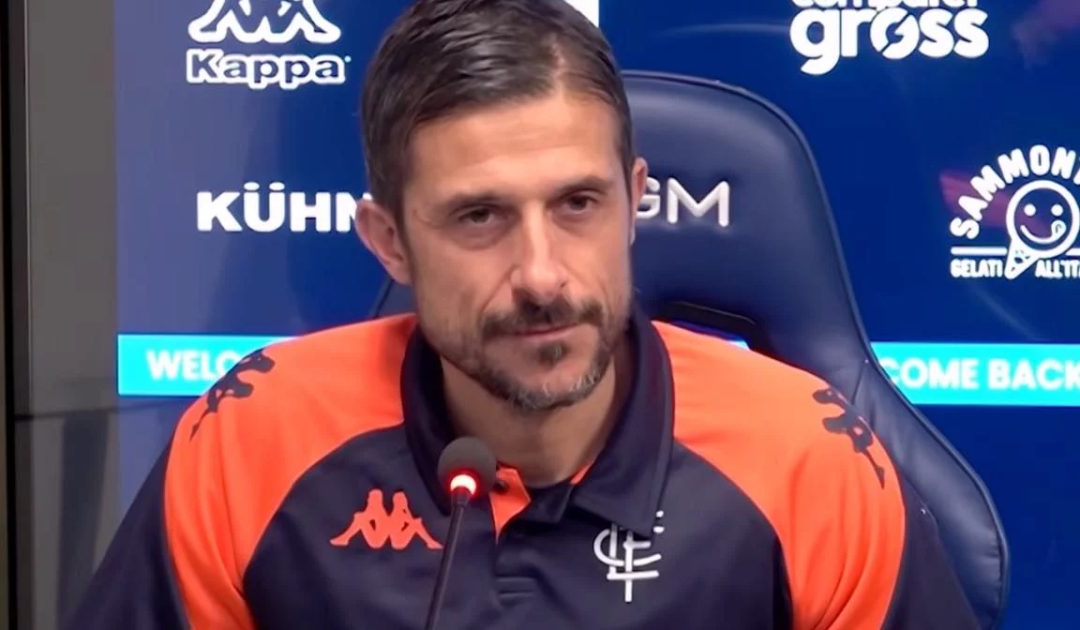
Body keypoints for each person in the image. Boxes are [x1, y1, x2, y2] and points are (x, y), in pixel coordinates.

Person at [69, 1, 979, 628]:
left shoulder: (806, 460)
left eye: (578, 204)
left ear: (634, 203)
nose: (541, 275)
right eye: (480, 217)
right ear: (390, 242)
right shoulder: (253, 441)